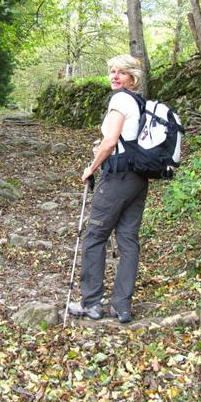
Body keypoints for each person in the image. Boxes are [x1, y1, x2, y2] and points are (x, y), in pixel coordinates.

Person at [74, 54, 149, 323]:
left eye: (121, 72)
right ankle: (122, 306)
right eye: (112, 71)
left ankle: (91, 303)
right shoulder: (139, 102)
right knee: (128, 239)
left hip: (116, 177)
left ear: (132, 77)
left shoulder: (119, 100)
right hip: (138, 178)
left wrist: (91, 168)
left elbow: (110, 142)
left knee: (95, 236)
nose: (114, 76)